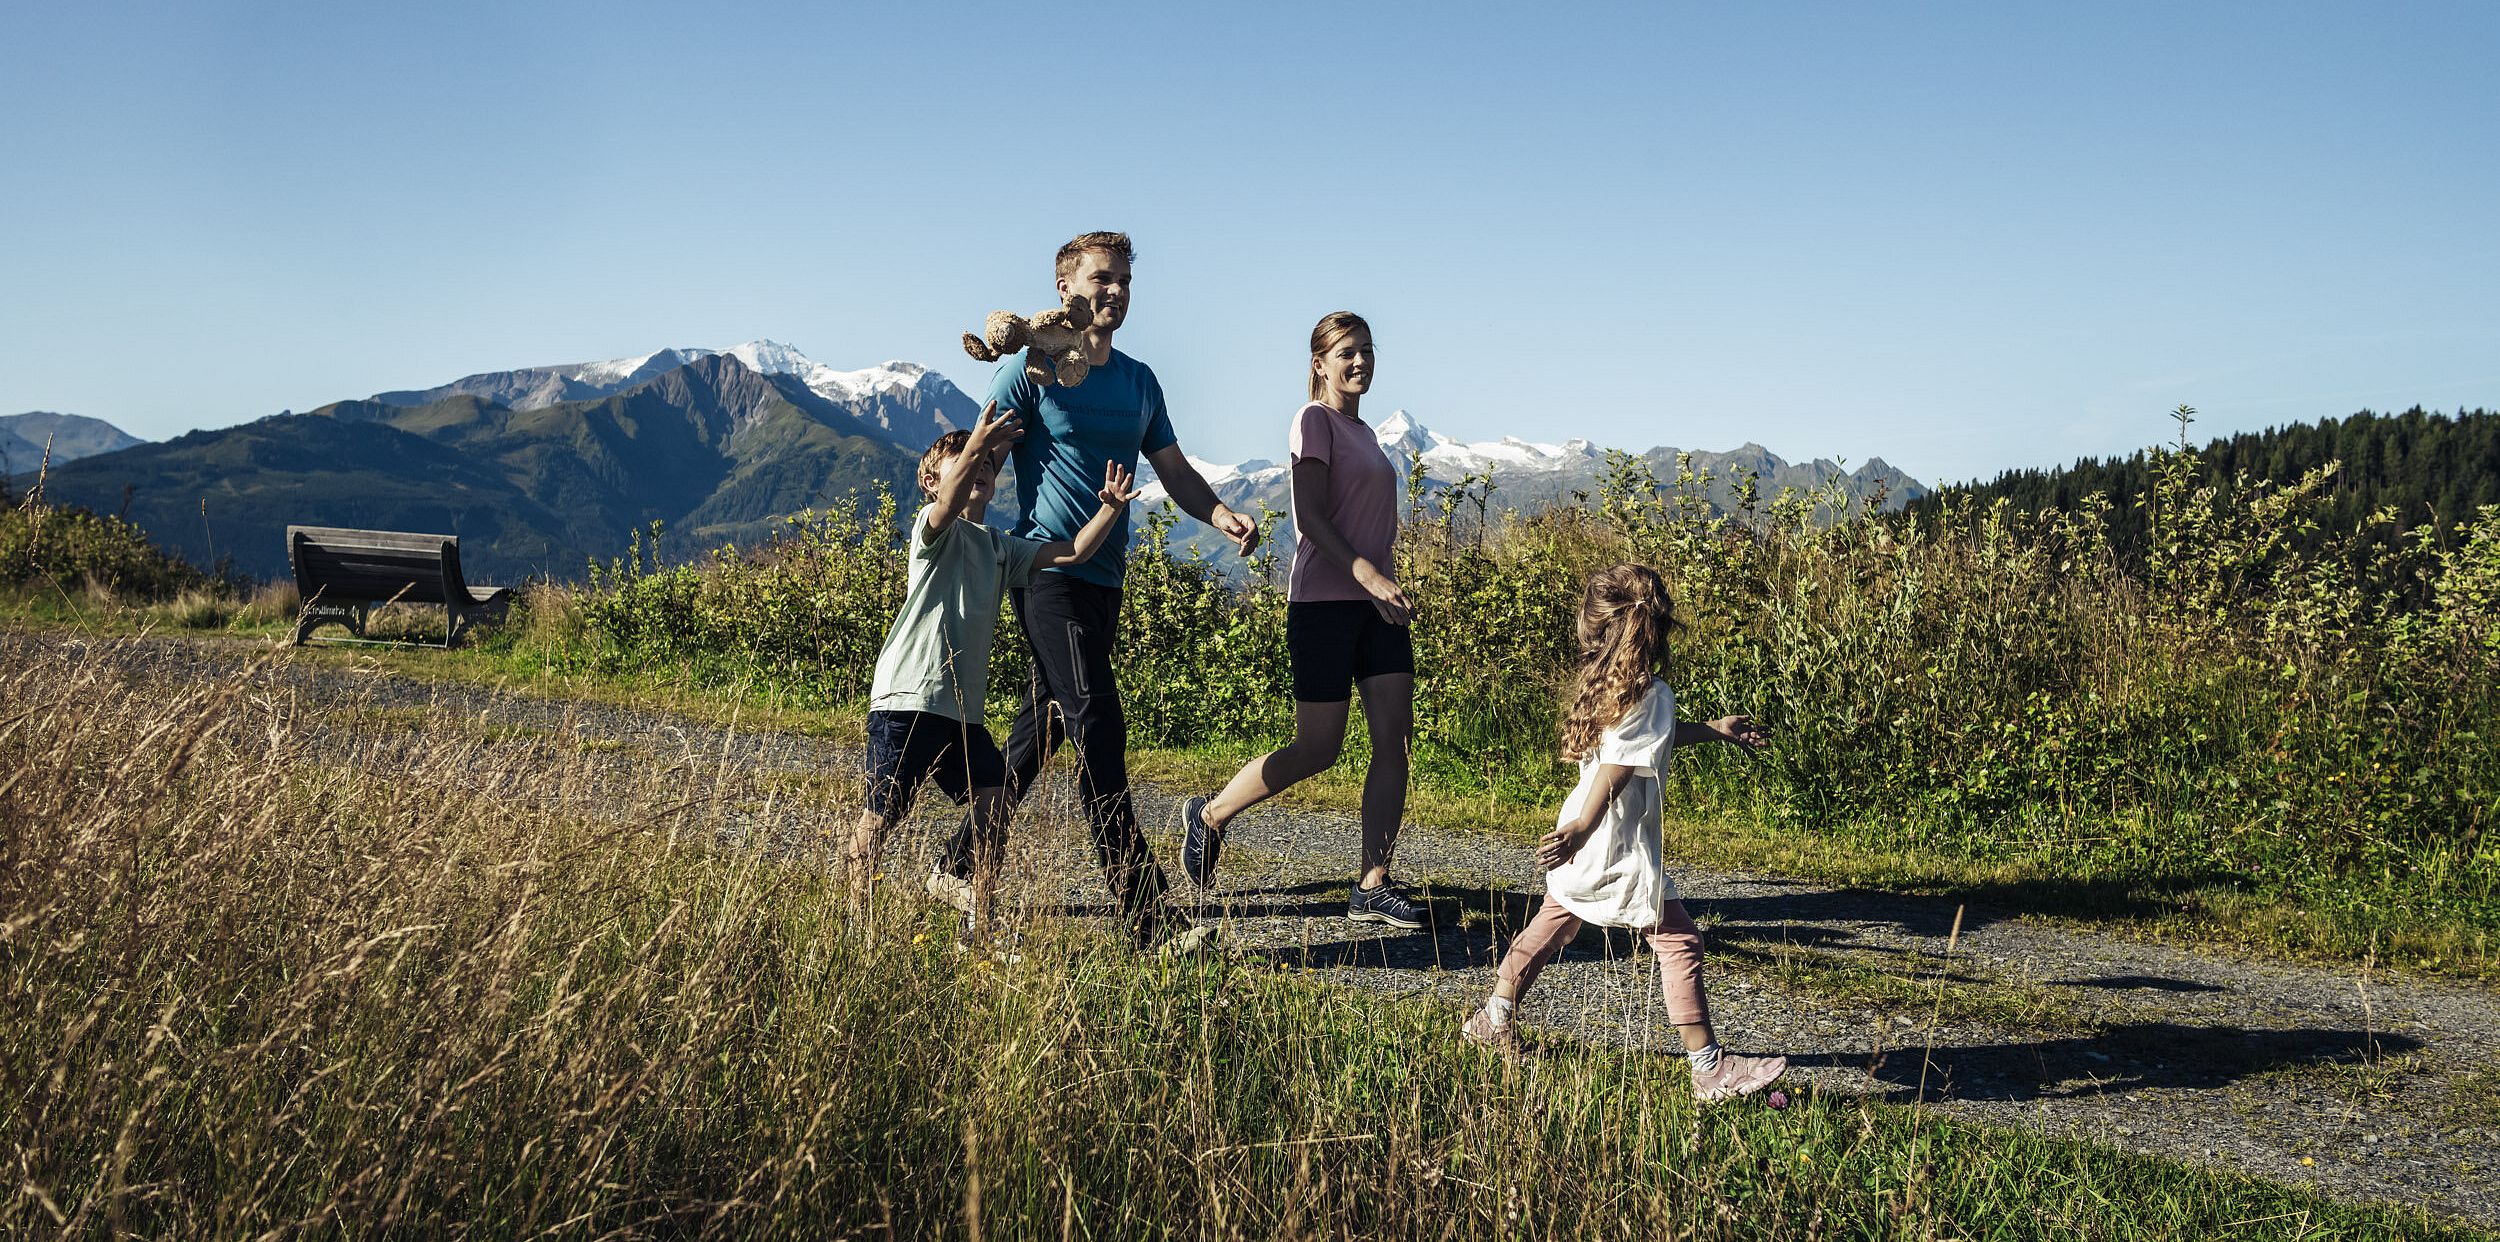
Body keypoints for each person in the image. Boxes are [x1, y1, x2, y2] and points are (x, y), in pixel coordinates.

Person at [932, 231, 1261, 948]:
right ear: (1064, 290)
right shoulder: (1030, 365)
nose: (1113, 291)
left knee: (1043, 728)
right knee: (1099, 728)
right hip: (1046, 571)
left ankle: (957, 860)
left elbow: (1172, 470)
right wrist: (950, 528)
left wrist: (1220, 513)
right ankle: (1146, 916)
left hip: (1104, 577)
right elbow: (982, 447)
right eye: (1099, 279)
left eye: (1123, 281)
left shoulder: (1140, 381)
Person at [1460, 563, 1787, 1102]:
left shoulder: (1612, 686)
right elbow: (1616, 770)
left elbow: (1646, 742)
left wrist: (1712, 731)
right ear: (1656, 630)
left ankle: (1493, 1018)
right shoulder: (1650, 690)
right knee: (1679, 941)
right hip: (1612, 846)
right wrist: (1583, 832)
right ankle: (1708, 1069)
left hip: (1586, 841)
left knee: (1553, 926)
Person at [849, 408, 1140, 933]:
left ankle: (975, 915)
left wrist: (1111, 512)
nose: (978, 467)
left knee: (997, 795)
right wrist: (981, 438)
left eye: (985, 461)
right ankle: (857, 923)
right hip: (907, 700)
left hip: (960, 714)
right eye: (963, 461)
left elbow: (1072, 552)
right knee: (882, 814)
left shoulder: (999, 547)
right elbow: (950, 499)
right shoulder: (931, 531)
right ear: (931, 479)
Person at [1176, 311, 1424, 928]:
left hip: (1377, 607)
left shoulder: (1365, 433)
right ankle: (1209, 816)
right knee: (1319, 748)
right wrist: (1368, 575)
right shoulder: (1313, 420)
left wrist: (1379, 585)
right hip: (1323, 605)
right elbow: (1310, 518)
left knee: (1394, 740)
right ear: (1319, 362)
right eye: (1347, 351)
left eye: (1368, 350)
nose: (1361, 360)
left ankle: (1372, 883)